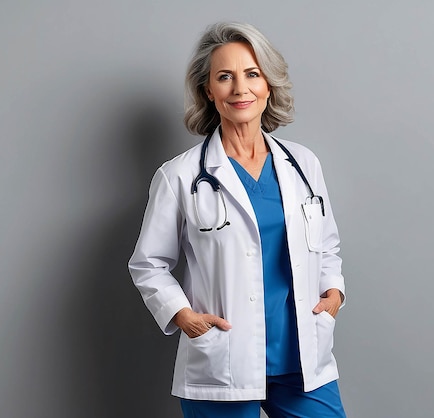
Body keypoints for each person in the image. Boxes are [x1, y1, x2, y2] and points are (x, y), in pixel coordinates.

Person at [128, 21, 347, 418]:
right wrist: (183, 316)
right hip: (223, 358)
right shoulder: (179, 175)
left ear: (268, 84)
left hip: (301, 354)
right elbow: (149, 264)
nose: (240, 88)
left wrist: (333, 292)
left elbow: (326, 244)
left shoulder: (303, 165)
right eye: (224, 77)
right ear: (208, 90)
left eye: (252, 74)